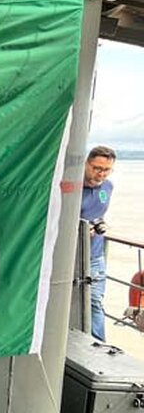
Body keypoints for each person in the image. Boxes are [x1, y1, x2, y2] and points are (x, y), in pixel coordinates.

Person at [80, 145, 117, 341]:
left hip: (95, 255)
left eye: (106, 170)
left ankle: (98, 345)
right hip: (72, 257)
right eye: (97, 168)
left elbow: (99, 213)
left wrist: (99, 224)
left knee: (95, 301)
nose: (101, 174)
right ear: (86, 163)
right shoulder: (72, 187)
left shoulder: (108, 187)